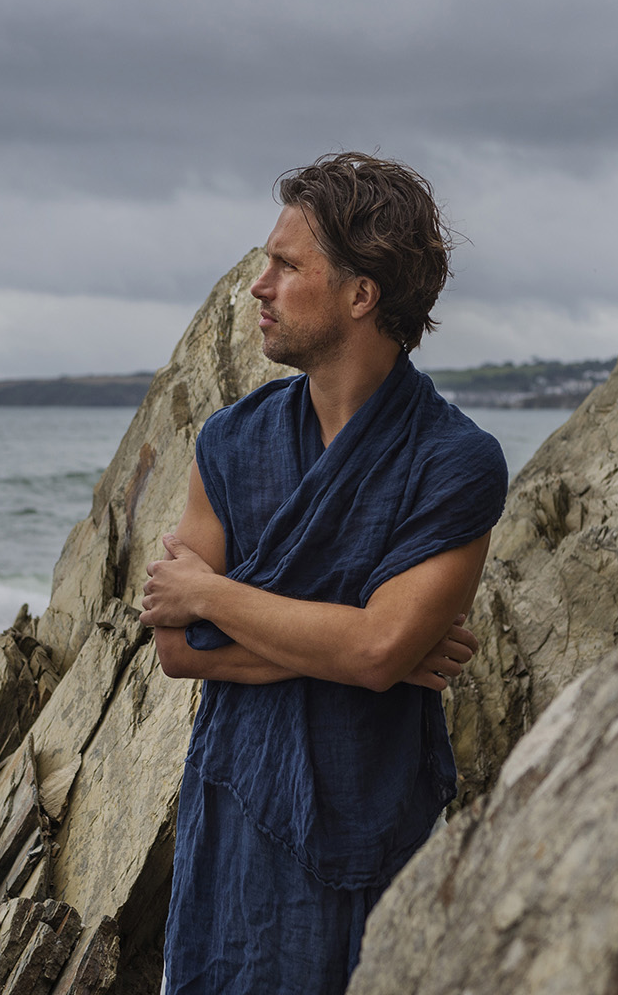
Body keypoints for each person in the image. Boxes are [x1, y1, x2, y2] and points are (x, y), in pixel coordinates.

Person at [139, 152, 509, 994]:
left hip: (376, 822)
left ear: (360, 293)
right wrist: (355, 648)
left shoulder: (454, 462)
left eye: (286, 265)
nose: (258, 287)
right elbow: (177, 650)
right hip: (233, 814)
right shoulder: (231, 441)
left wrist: (216, 597)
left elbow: (373, 650)